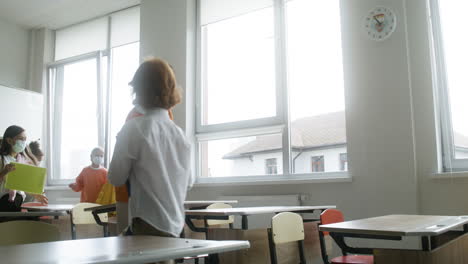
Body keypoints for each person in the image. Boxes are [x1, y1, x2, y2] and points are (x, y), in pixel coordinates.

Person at [108, 58, 193, 264]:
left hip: (147, 222)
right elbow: (189, 182)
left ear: (140, 90)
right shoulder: (180, 134)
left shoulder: (134, 128)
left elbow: (115, 177)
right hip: (175, 225)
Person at [0, 125, 48, 212]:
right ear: (9, 140)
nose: (23, 142)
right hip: (5, 200)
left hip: (20, 199)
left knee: (37, 211)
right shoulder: (2, 159)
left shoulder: (23, 160)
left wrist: (36, 195)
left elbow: (23, 185)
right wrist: (4, 172)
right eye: (21, 139)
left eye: (25, 139)